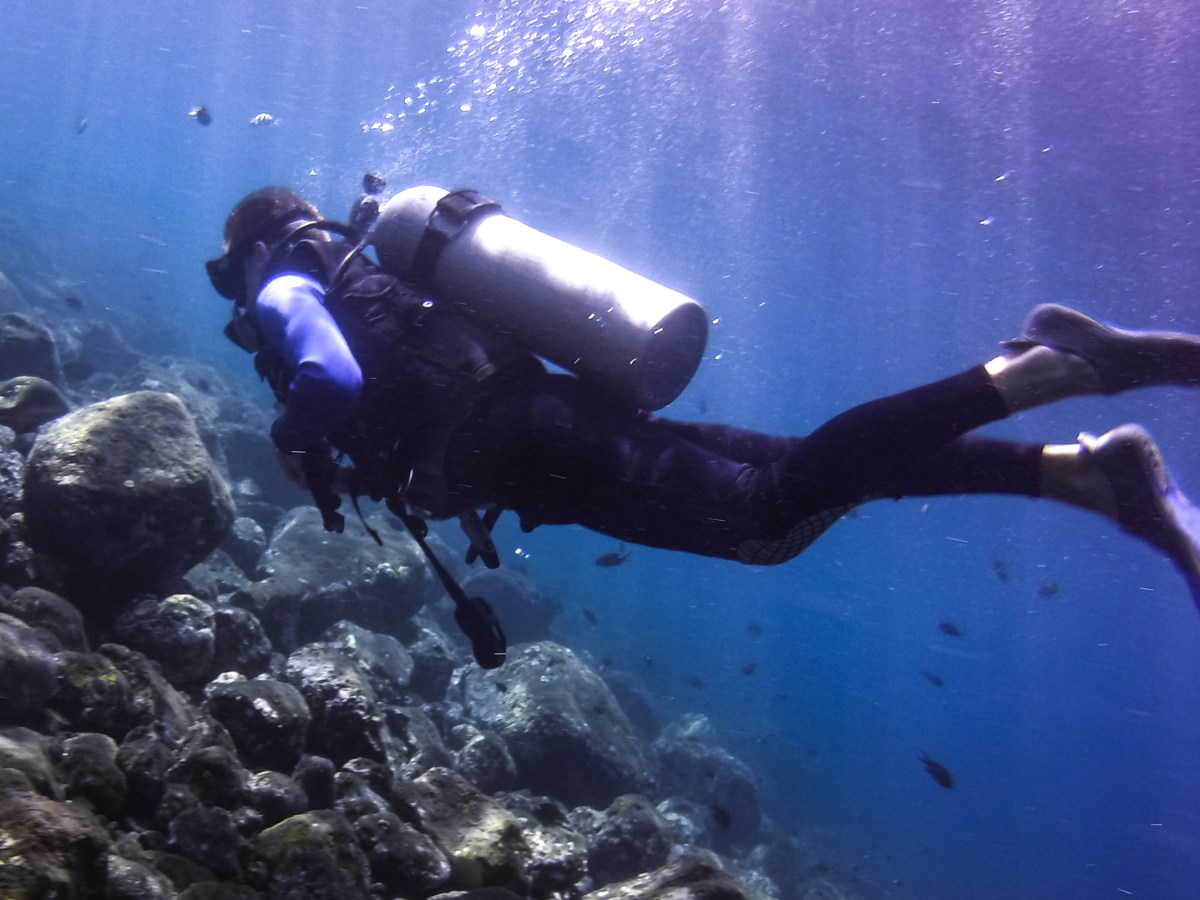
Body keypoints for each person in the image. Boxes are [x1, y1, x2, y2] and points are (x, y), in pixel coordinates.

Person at [207, 185, 1200, 630]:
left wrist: (290, 435)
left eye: (233, 277)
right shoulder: (360, 276)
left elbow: (331, 382)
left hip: (526, 443)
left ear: (255, 250)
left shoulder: (284, 287)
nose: (240, 301)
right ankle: (1084, 475)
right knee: (800, 471)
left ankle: (1042, 371)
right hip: (543, 416)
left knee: (767, 515)